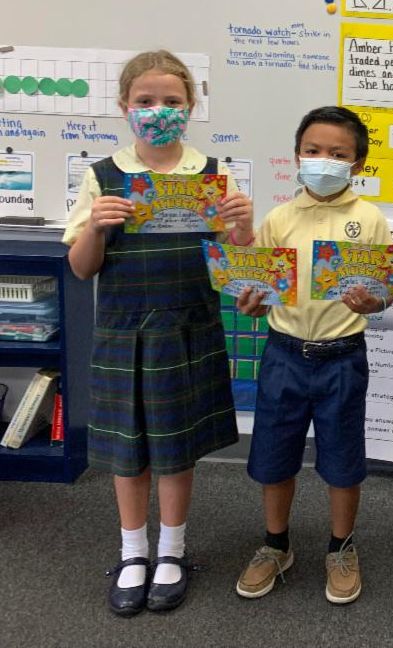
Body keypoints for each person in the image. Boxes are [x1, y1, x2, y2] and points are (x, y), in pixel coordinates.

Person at [63, 50, 254, 616]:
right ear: (125, 106)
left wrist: (242, 226)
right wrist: (96, 228)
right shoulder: (103, 176)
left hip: (188, 329)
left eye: (172, 100)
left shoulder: (210, 173)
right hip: (124, 332)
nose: (159, 111)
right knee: (129, 450)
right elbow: (81, 268)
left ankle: (172, 549)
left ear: (190, 106)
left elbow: (237, 263)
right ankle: (133, 553)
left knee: (176, 448)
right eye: (145, 101)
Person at [234, 106, 392, 605]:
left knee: (343, 460)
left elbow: (385, 291)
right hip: (283, 355)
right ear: (297, 156)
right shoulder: (279, 219)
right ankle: (275, 544)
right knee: (273, 456)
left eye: (338, 154)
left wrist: (374, 302)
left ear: (357, 164)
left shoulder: (369, 219)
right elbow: (262, 294)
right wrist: (252, 302)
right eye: (314, 150)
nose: (324, 160)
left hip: (342, 358)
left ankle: (341, 547)